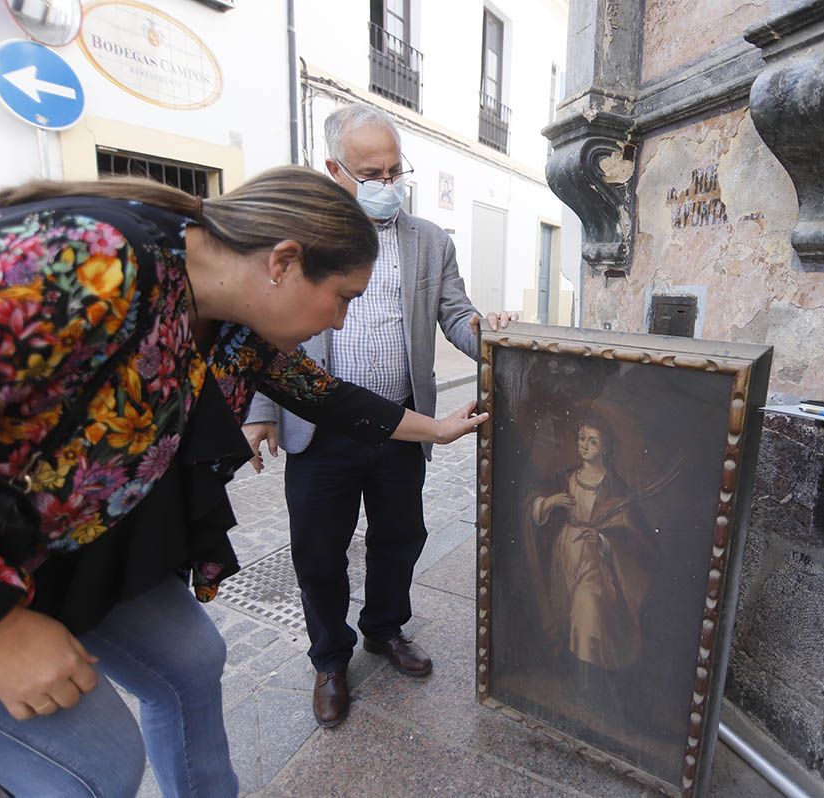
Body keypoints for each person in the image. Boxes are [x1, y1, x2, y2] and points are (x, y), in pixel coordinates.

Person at [0, 166, 486, 798]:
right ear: (283, 261)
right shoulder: (86, 258)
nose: (340, 322)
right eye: (342, 297)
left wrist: (437, 430)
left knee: (192, 663)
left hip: (65, 555)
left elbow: (325, 396)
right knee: (99, 768)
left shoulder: (233, 325)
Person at [242, 104, 515, 728]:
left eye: (395, 172)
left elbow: (457, 317)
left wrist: (491, 333)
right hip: (319, 430)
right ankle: (330, 660)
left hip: (400, 425)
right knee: (319, 552)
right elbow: (263, 333)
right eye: (372, 172)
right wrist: (259, 410)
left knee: (400, 538)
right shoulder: (299, 242)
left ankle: (383, 630)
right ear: (335, 169)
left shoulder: (429, 242)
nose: (387, 184)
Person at [525, 416, 656, 689]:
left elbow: (632, 534)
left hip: (595, 561)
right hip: (564, 556)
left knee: (589, 607)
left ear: (605, 448)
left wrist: (603, 541)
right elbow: (532, 506)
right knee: (567, 614)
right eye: (582, 439)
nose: (584, 446)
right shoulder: (566, 477)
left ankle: (589, 685)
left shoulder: (615, 486)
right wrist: (550, 502)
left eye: (592, 441)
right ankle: (574, 678)